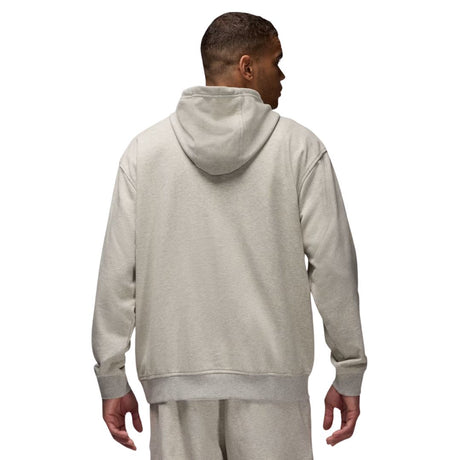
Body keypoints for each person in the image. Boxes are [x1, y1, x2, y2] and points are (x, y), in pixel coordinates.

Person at [91, 11, 368, 459]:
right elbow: (334, 268)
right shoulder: (300, 149)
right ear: (247, 67)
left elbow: (117, 274)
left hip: (176, 384)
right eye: (276, 61)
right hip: (274, 384)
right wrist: (348, 368)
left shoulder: (145, 153)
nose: (283, 75)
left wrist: (112, 375)